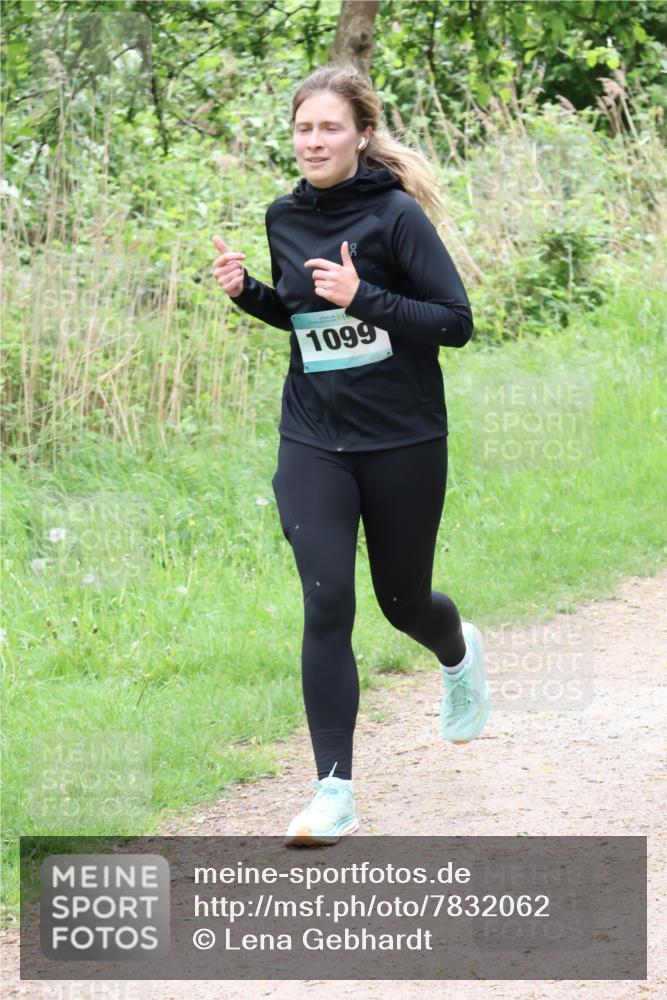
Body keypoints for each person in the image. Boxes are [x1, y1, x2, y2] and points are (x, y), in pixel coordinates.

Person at [211, 63, 491, 847]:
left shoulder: (396, 216)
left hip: (402, 438)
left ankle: (457, 650)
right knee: (328, 600)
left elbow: (454, 322)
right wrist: (249, 294)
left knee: (403, 602)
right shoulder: (282, 216)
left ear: (362, 135)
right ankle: (332, 791)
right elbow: (304, 317)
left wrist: (363, 296)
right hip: (314, 436)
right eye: (302, 128)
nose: (313, 141)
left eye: (328, 127)